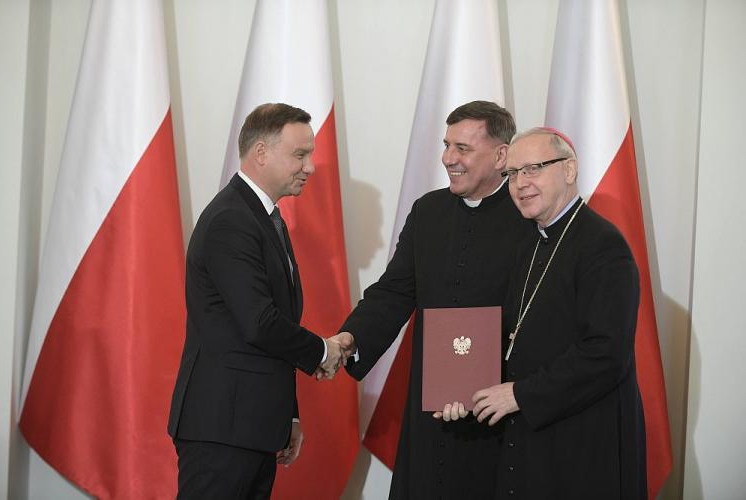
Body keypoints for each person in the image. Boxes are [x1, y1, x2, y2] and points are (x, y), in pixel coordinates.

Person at [335, 101, 533, 499]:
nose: (448, 158)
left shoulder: (528, 218)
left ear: (501, 156)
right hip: (432, 407)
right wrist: (351, 339)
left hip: (500, 410)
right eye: (446, 145)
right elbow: (394, 290)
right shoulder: (428, 211)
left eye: (462, 148)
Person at [442, 127, 647, 498]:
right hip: (534, 437)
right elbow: (511, 335)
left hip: (583, 439)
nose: (520, 183)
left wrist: (519, 394)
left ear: (569, 170)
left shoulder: (603, 247)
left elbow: (606, 353)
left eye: (533, 169)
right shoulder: (530, 244)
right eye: (513, 174)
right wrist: (462, 389)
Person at [167, 103, 345, 499]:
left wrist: (290, 415)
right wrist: (322, 350)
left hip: (250, 427)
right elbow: (259, 323)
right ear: (261, 153)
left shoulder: (262, 218)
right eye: (300, 154)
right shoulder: (232, 220)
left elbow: (266, 332)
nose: (310, 167)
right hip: (221, 430)